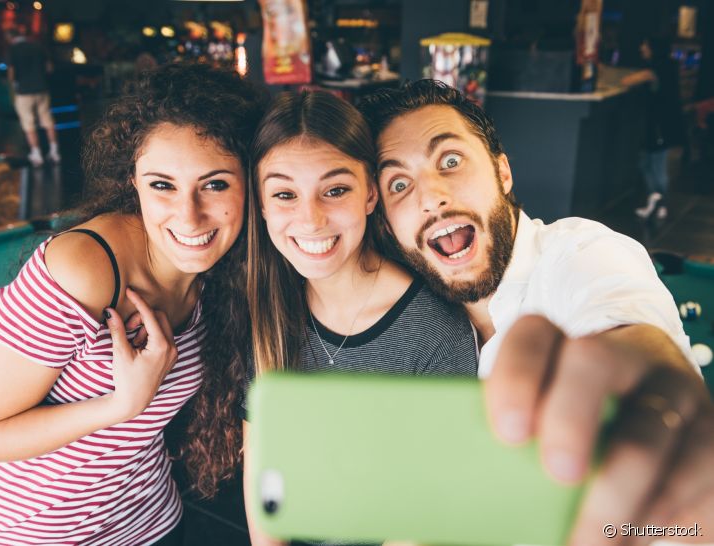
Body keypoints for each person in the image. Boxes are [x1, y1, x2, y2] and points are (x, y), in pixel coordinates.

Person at [358, 80, 713, 543]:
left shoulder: (581, 252)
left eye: (450, 161)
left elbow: (627, 328)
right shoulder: (416, 317)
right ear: (387, 223)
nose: (431, 196)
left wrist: (653, 393)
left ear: (503, 173)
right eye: (399, 184)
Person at [0, 63, 264, 546]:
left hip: (146, 517)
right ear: (133, 182)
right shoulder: (85, 268)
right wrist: (122, 404)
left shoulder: (228, 269)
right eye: (162, 185)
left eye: (215, 184)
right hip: (24, 530)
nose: (189, 214)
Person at [243, 90, 478, 546]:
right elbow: (262, 469)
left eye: (335, 190)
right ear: (263, 204)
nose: (310, 220)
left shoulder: (433, 332)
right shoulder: (273, 310)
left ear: (370, 193)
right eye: (285, 194)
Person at [622, 35, 685, 220]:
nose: (642, 47)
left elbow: (628, 81)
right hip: (663, 124)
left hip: (659, 126)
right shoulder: (668, 65)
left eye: (645, 45)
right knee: (649, 162)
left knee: (655, 164)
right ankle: (656, 202)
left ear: (653, 48)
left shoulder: (656, 68)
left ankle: (659, 203)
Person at [7, 25, 60, 167]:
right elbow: (49, 68)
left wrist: (12, 84)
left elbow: (11, 73)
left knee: (28, 123)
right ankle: (54, 152)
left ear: (10, 38)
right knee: (48, 121)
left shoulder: (13, 50)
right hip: (42, 88)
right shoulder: (38, 47)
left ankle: (36, 154)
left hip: (24, 91)